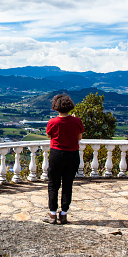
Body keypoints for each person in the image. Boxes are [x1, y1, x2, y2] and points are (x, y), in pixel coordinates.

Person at [44, 93, 84, 225]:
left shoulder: (52, 122)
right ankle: (64, 214)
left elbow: (50, 136)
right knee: (68, 184)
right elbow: (79, 138)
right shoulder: (77, 121)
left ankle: (52, 214)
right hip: (72, 155)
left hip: (56, 155)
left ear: (56, 107)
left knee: (53, 184)